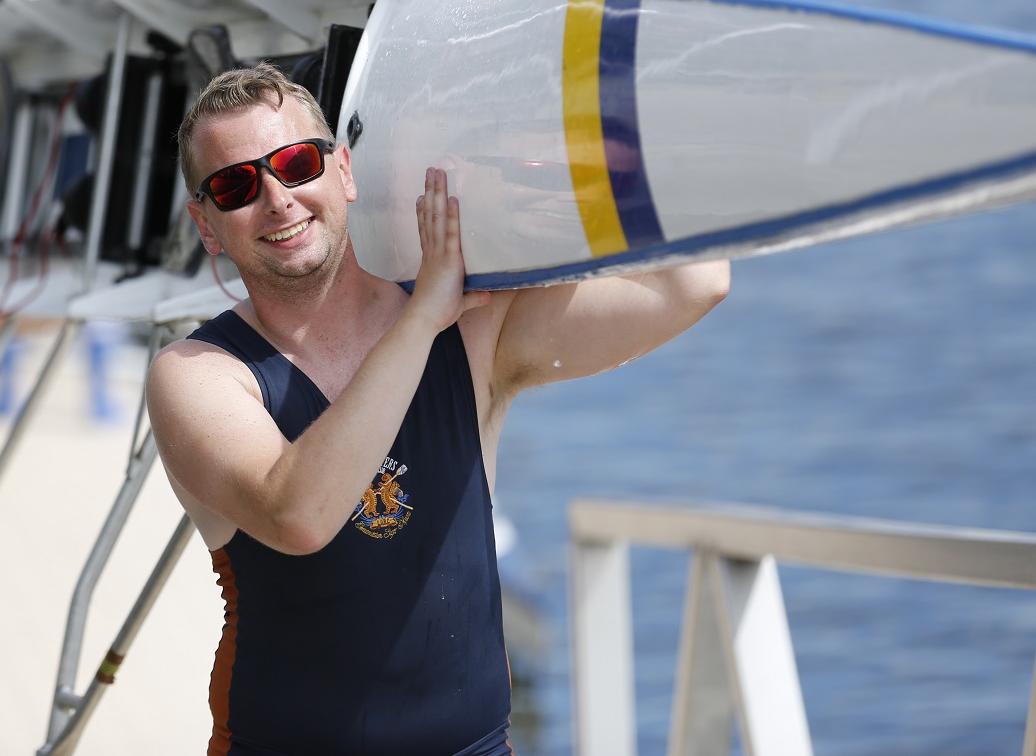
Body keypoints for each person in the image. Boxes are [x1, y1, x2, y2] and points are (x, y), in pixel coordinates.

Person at [145, 64, 731, 756]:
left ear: (344, 171)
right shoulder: (198, 376)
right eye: (236, 186)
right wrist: (421, 317)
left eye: (298, 164)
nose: (278, 199)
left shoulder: (473, 332)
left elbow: (695, 281)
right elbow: (298, 515)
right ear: (206, 225)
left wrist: (584, 142)